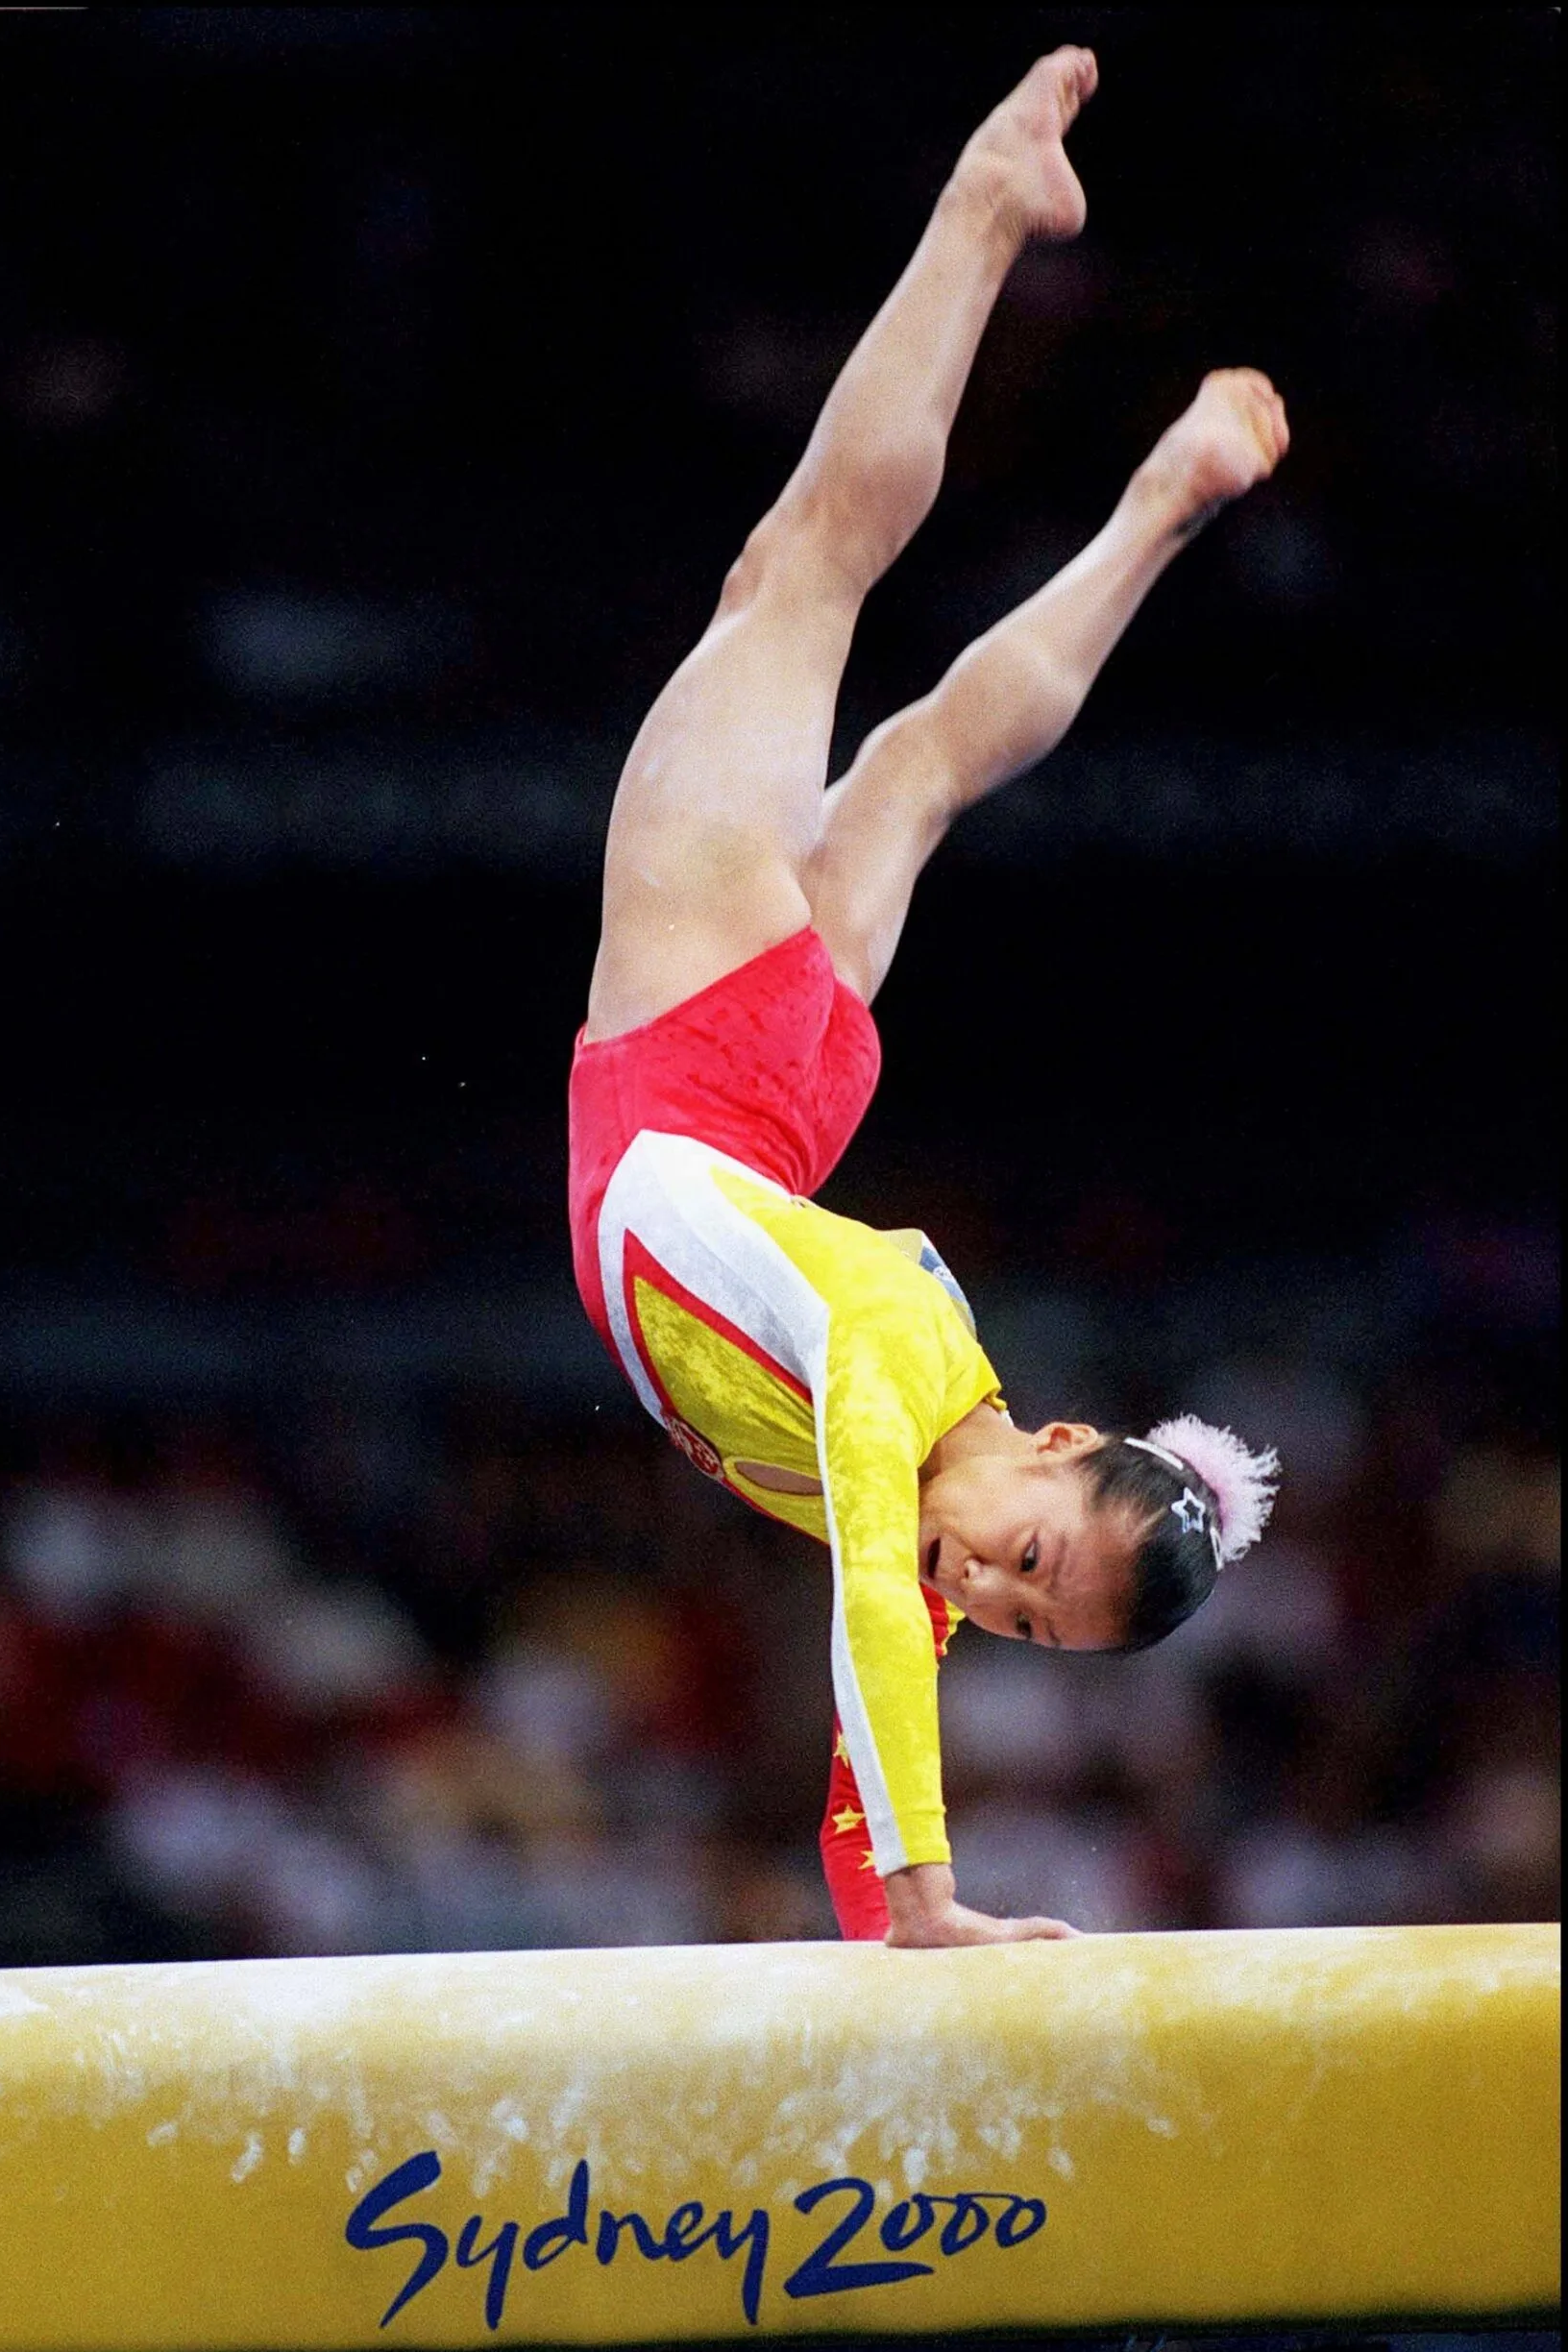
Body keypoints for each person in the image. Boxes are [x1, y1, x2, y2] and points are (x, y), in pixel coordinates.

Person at [568, 46, 1285, 1948]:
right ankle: (987, 199)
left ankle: (1161, 503)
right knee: (798, 573)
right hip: (694, 1044)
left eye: (1030, 1622)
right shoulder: (895, 1355)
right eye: (1034, 1565)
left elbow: (869, 1671)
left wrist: (873, 1920)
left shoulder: (914, 1468)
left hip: (767, 1105)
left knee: (923, 764)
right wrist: (929, 1901)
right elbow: (876, 1627)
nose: (995, 1593)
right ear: (1052, 1438)